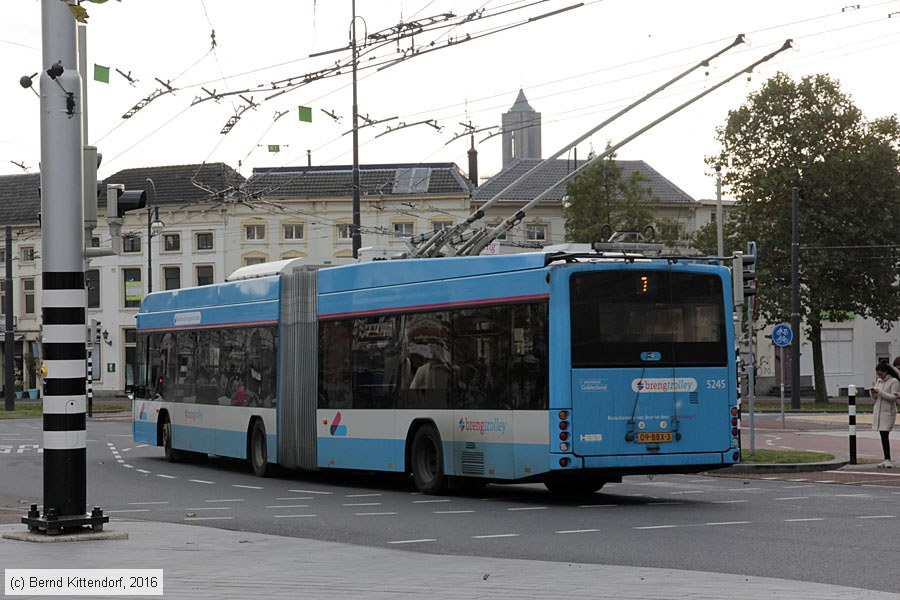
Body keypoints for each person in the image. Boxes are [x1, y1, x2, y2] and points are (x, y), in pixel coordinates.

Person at [869, 362, 899, 468]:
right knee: (882, 435)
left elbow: (893, 397)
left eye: (880, 374)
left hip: (888, 411)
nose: (879, 376)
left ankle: (888, 459)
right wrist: (873, 393)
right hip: (879, 411)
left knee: (885, 433)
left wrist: (880, 392)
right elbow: (876, 398)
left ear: (886, 372)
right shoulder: (879, 381)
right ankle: (886, 458)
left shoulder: (894, 381)